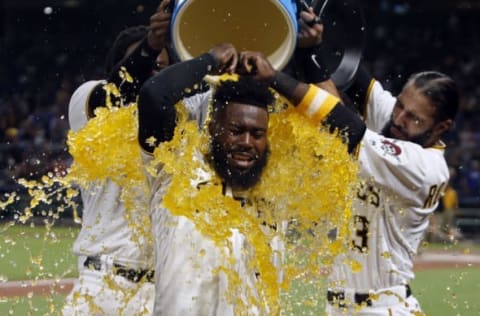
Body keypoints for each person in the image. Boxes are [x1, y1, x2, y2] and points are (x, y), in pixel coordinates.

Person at [137, 40, 366, 315]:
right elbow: (153, 96)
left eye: (257, 134)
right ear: (212, 128)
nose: (247, 142)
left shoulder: (277, 182)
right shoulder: (176, 167)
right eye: (236, 130)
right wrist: (210, 60)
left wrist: (276, 79)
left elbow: (351, 131)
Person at [62, 1, 173, 315]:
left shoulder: (179, 119)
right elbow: (117, 89)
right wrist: (152, 45)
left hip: (164, 290)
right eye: (148, 63)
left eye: (164, 69)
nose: (156, 75)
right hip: (103, 285)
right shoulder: (88, 100)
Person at [323, 62, 460, 314]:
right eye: (399, 105)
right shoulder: (403, 125)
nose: (398, 118)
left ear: (441, 127)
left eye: (414, 117)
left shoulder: (423, 166)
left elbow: (339, 124)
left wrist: (275, 76)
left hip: (382, 306)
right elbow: (351, 73)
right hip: (342, 305)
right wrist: (310, 43)